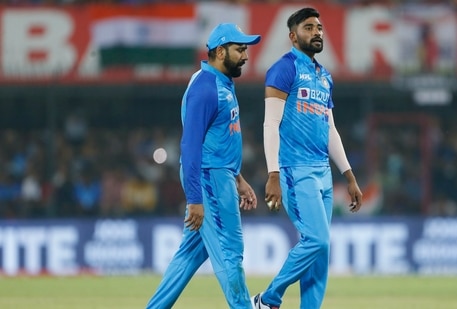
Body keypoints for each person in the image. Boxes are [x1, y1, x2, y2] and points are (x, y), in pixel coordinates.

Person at [254, 7, 363, 309]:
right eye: (308, 27)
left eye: (319, 27)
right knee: (317, 240)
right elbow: (270, 124)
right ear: (292, 36)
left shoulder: (324, 76)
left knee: (321, 253)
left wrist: (349, 175)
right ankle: (268, 299)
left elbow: (330, 129)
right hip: (294, 169)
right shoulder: (284, 68)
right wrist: (273, 173)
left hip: (322, 173)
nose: (317, 32)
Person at [146, 23, 261, 309]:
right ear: (220, 51)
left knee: (188, 256)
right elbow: (190, 146)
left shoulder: (220, 82)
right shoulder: (206, 88)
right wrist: (195, 198)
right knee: (231, 253)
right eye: (240, 49)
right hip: (210, 181)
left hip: (220, 176)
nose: (246, 56)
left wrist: (238, 177)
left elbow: (219, 140)